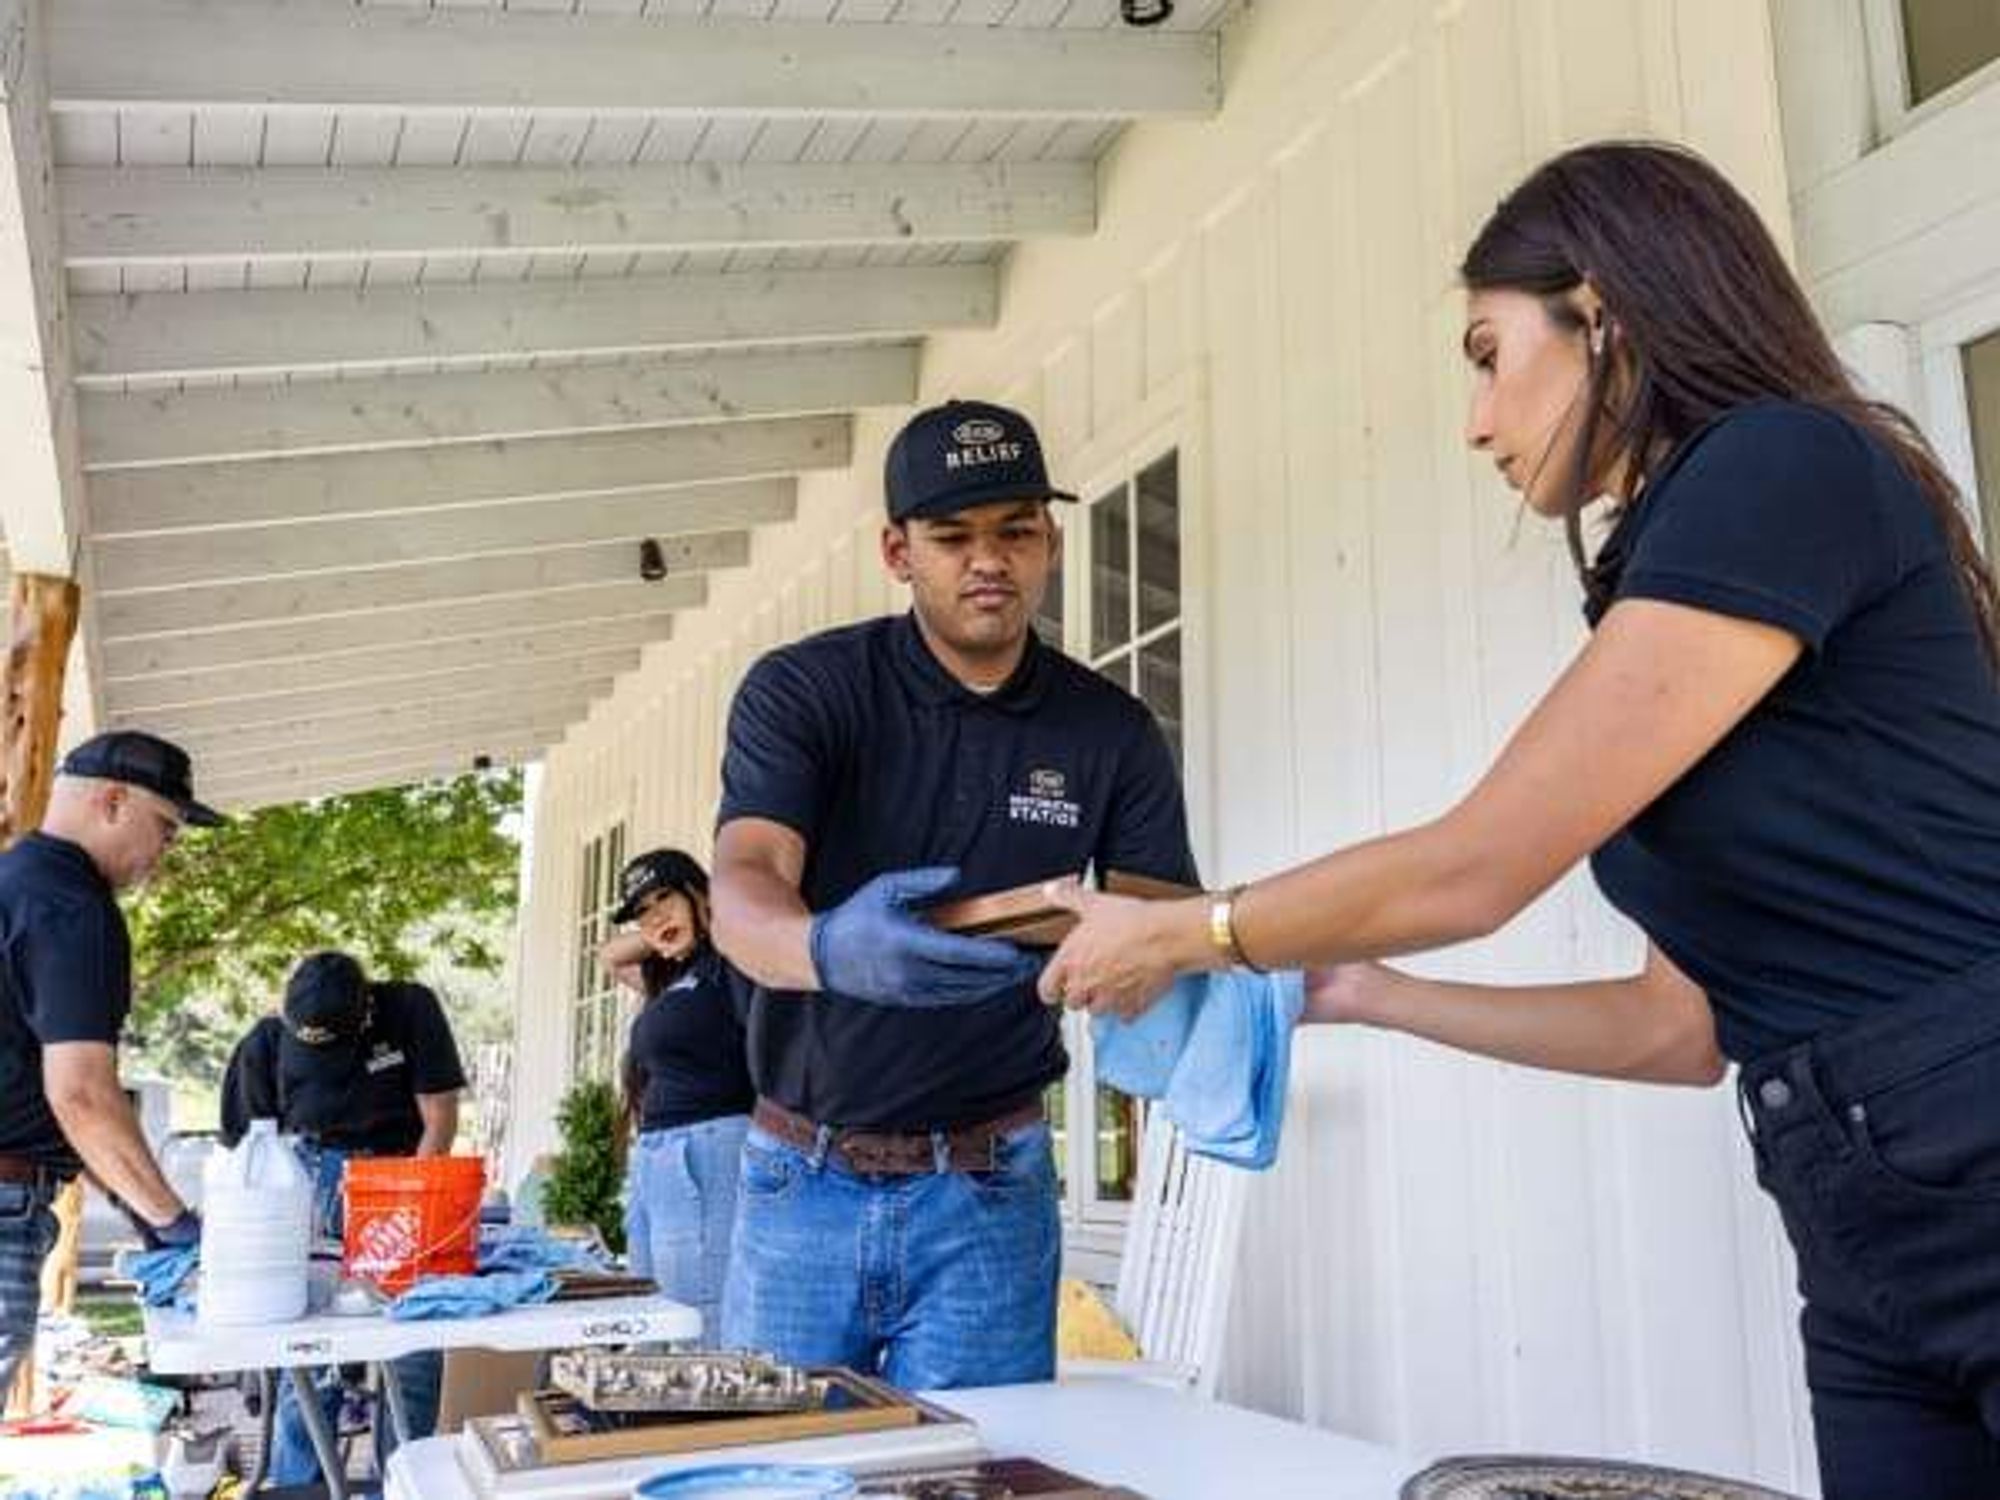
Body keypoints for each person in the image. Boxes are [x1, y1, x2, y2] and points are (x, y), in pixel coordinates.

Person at [1036, 141, 2000, 1498]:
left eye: (1489, 355)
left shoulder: (1781, 468)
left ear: (1601, 313)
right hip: (1854, 1202)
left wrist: (1184, 935)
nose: (1477, 420)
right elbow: (1678, 1029)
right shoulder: (1688, 564)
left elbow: (1478, 865)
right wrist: (1378, 996)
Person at [710, 397, 1199, 1389]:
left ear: (1051, 542)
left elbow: (1154, 930)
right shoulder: (804, 691)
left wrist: (1151, 968)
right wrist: (824, 948)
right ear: (897, 552)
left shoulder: (1109, 731)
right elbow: (744, 882)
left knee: (983, 1470)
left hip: (991, 1185)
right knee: (781, 1472)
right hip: (799, 1177)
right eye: (952, 535)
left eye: (1015, 531)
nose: (989, 559)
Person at [0, 731, 222, 1392]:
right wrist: (172, 1221)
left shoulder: (15, 881)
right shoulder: (73, 907)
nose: (163, 853)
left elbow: (43, 1097)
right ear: (113, 800)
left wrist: (133, 1203)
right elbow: (82, 1095)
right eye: (165, 829)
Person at [221, 950, 466, 1488]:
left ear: (365, 1013)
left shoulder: (408, 1010)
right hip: (308, 1180)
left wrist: (408, 1203)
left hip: (402, 1172)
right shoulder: (264, 1043)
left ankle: (400, 1486)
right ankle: (300, 1487)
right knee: (308, 1354)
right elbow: (253, 1157)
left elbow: (440, 1117)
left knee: (413, 1352)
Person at [597, 847, 753, 1341]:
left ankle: (706, 1420)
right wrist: (660, 935)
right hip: (657, 1156)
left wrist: (708, 915)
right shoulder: (670, 979)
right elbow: (609, 955)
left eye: (665, 897)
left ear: (698, 892)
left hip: (708, 1146)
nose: (655, 915)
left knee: (696, 1322)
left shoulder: (730, 963)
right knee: (650, 1315)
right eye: (643, 910)